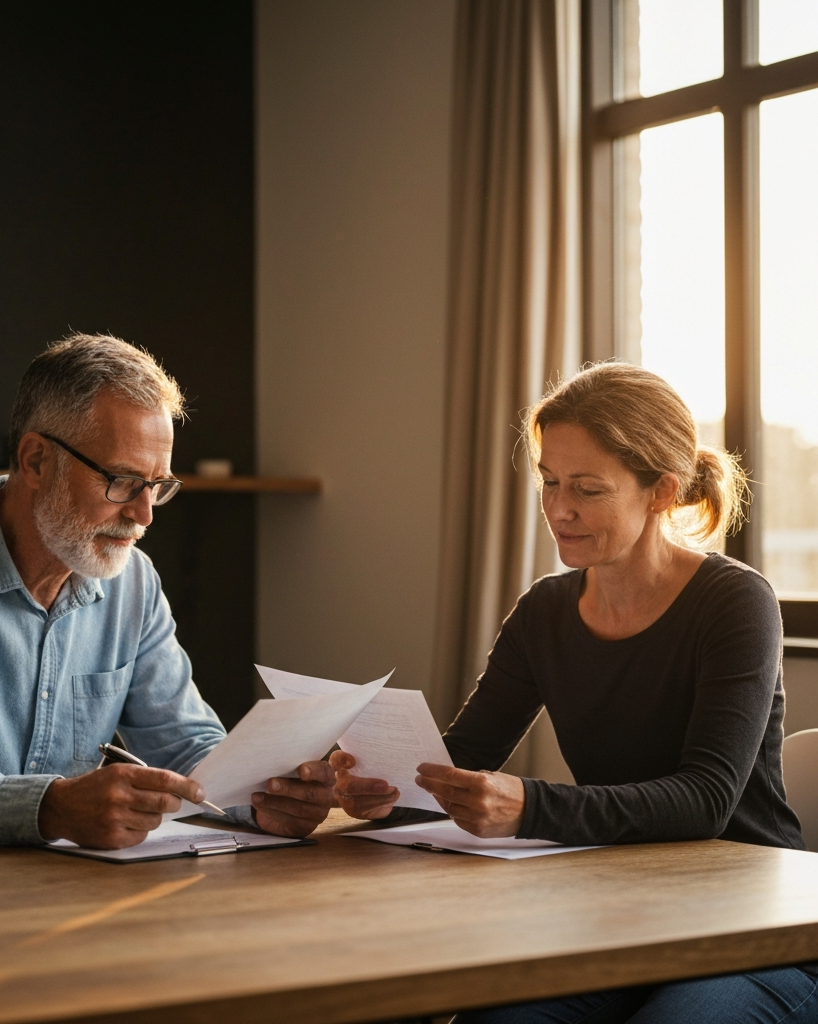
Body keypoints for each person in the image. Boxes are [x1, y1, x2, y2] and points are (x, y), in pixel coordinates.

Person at [333, 362, 816, 1022]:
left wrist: (530, 805)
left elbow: (704, 801)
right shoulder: (546, 611)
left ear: (660, 493)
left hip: (751, 927)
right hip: (614, 916)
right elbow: (458, 758)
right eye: (549, 482)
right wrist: (383, 787)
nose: (559, 509)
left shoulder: (735, 602)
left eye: (587, 489)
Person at [0, 333, 336, 847]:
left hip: (41, 895)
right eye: (122, 481)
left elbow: (188, 748)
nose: (144, 514)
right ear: (36, 460)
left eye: (158, 486)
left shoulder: (134, 582)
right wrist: (49, 807)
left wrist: (263, 798)